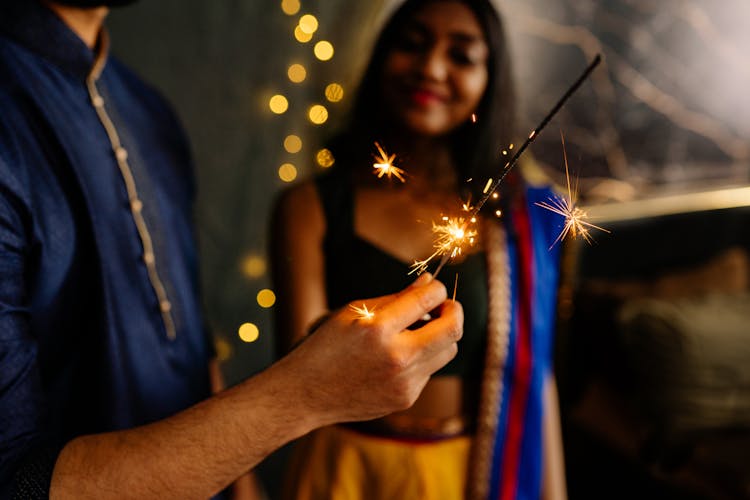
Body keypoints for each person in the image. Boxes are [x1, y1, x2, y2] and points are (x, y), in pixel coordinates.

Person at [0, 1, 464, 498]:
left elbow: (192, 341)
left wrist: (242, 485)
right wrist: (303, 394)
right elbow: (17, 484)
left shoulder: (150, 114)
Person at [272, 0, 567, 498]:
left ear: (490, 80)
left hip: (468, 474)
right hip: (344, 470)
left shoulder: (519, 218)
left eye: (462, 56)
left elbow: (534, 378)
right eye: (412, 44)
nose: (431, 68)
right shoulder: (311, 206)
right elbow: (298, 373)